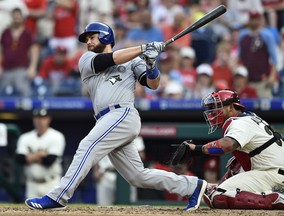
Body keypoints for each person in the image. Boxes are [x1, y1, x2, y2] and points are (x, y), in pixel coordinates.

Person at [25, 21, 207, 211]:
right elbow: (108, 60)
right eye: (86, 39)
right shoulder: (86, 59)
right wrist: (144, 48)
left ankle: (59, 196)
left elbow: (153, 84)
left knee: (87, 145)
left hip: (122, 113)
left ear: (105, 36)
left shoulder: (133, 61)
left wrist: (152, 64)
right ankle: (192, 186)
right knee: (138, 176)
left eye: (92, 37)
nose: (88, 42)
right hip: (106, 119)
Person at [171, 89, 284, 210]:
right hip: (276, 171)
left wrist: (196, 149)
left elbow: (227, 145)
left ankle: (278, 199)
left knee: (219, 196)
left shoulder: (238, 122)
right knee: (233, 167)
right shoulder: (249, 118)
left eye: (217, 107)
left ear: (231, 107)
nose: (212, 112)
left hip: (274, 174)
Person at [15, 108, 66, 199]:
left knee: (54, 212)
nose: (40, 121)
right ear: (34, 119)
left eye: (43, 118)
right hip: (31, 184)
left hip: (51, 183)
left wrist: (30, 157)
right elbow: (19, 159)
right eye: (37, 118)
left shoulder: (56, 136)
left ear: (48, 119)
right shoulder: (25, 137)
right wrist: (40, 155)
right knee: (30, 212)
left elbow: (49, 161)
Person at [0, 7, 39, 96]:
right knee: (4, 96)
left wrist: (32, 67)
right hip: (6, 70)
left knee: (24, 94)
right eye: (15, 16)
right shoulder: (6, 32)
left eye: (18, 15)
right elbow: (1, 50)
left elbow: (33, 50)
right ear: (11, 17)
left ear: (22, 17)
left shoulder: (27, 32)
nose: (16, 17)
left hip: (21, 69)